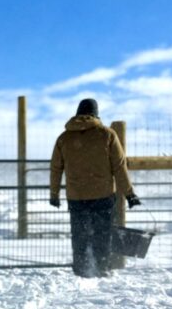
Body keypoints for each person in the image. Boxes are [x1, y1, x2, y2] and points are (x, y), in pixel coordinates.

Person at [49, 99, 141, 277]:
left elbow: (55, 168)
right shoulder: (107, 134)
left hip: (76, 196)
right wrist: (129, 194)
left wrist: (54, 194)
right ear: (96, 114)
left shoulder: (64, 138)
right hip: (103, 195)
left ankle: (80, 269)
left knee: (79, 235)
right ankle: (101, 268)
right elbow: (119, 166)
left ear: (77, 113)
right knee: (102, 234)